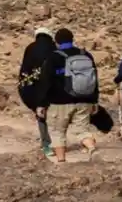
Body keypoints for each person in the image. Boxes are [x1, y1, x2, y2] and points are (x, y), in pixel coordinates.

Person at [33, 28, 99, 163]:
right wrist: (94, 100)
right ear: (72, 39)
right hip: (84, 100)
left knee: (57, 132)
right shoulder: (86, 55)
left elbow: (46, 82)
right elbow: (94, 79)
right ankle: (92, 148)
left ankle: (62, 162)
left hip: (59, 102)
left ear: (56, 42)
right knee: (82, 131)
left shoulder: (53, 57)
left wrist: (41, 103)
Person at [18, 27, 57, 157]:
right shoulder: (54, 48)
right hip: (52, 88)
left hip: (33, 87)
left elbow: (25, 70)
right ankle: (60, 143)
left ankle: (46, 144)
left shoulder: (30, 48)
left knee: (41, 114)